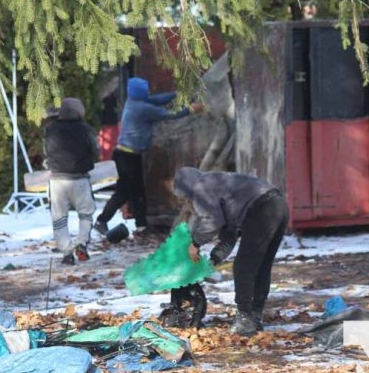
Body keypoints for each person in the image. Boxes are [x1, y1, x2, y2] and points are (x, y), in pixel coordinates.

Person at [172, 167, 289, 335]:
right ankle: (255, 315)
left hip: (262, 209)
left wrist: (195, 243)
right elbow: (228, 235)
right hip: (279, 206)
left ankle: (245, 318)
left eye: (185, 197)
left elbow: (212, 222)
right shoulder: (219, 188)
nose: (189, 202)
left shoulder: (202, 187)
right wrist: (213, 261)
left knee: (243, 267)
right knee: (261, 266)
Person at [94, 77, 204, 236]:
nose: (148, 92)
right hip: (126, 156)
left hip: (130, 154)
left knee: (138, 191)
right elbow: (170, 114)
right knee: (123, 192)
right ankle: (101, 221)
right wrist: (192, 108)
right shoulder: (141, 108)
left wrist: (178, 94)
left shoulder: (134, 101)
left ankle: (141, 226)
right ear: (140, 92)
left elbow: (157, 99)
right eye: (145, 90)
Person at [43, 97, 99, 265]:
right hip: (80, 178)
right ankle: (82, 244)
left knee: (59, 217)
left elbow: (46, 150)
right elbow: (95, 149)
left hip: (57, 180)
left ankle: (66, 253)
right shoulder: (86, 129)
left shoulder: (50, 129)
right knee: (86, 213)